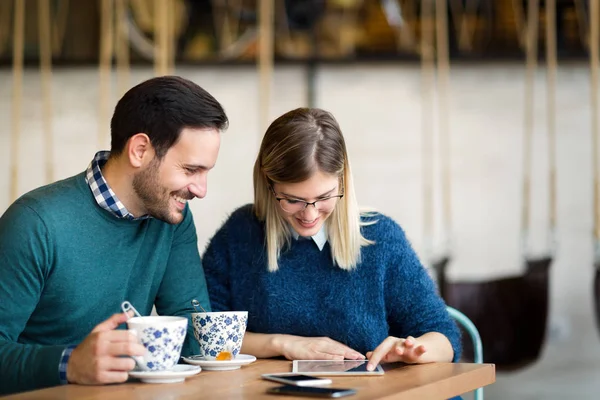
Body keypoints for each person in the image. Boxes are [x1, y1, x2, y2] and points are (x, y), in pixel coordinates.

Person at [0, 76, 228, 395]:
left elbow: (192, 331)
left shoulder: (172, 218)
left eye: (206, 172)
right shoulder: (35, 223)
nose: (201, 190)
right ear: (139, 150)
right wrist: (68, 364)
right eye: (191, 171)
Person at [202, 107, 461, 370]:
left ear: (342, 182)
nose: (310, 214)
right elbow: (205, 335)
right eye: (293, 200)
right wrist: (282, 344)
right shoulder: (239, 234)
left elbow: (443, 336)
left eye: (325, 197)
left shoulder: (380, 238)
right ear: (268, 185)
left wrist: (415, 350)